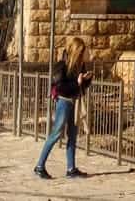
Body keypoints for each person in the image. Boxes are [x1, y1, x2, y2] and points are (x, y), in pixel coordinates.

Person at [33, 36, 93, 179]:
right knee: (56, 134)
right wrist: (77, 83)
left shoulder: (80, 65)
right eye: (80, 52)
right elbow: (60, 87)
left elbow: (81, 87)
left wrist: (87, 80)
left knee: (72, 135)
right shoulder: (62, 66)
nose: (81, 55)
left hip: (75, 101)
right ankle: (39, 166)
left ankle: (71, 169)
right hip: (64, 102)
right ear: (74, 51)